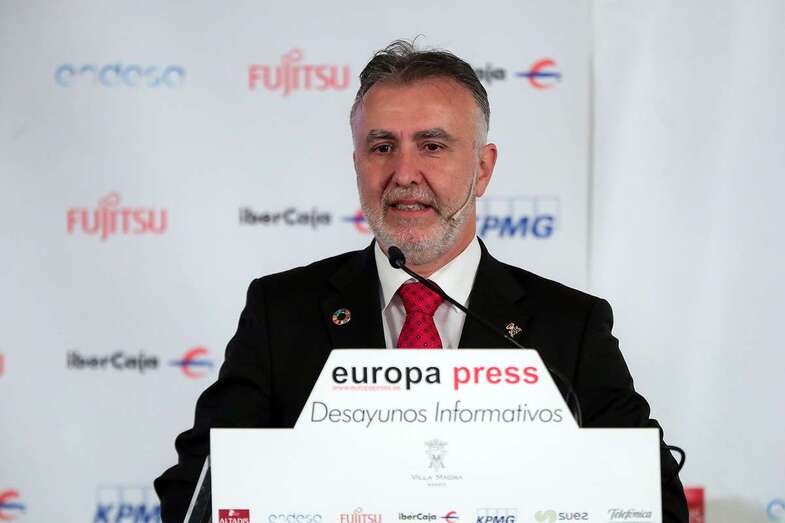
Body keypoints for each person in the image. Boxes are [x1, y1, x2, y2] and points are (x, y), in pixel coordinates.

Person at [155, 40, 688, 522]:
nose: (404, 173)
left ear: (482, 169)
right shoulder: (281, 311)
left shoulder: (568, 325)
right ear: (358, 163)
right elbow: (194, 492)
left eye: (432, 146)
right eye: (382, 147)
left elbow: (657, 501)